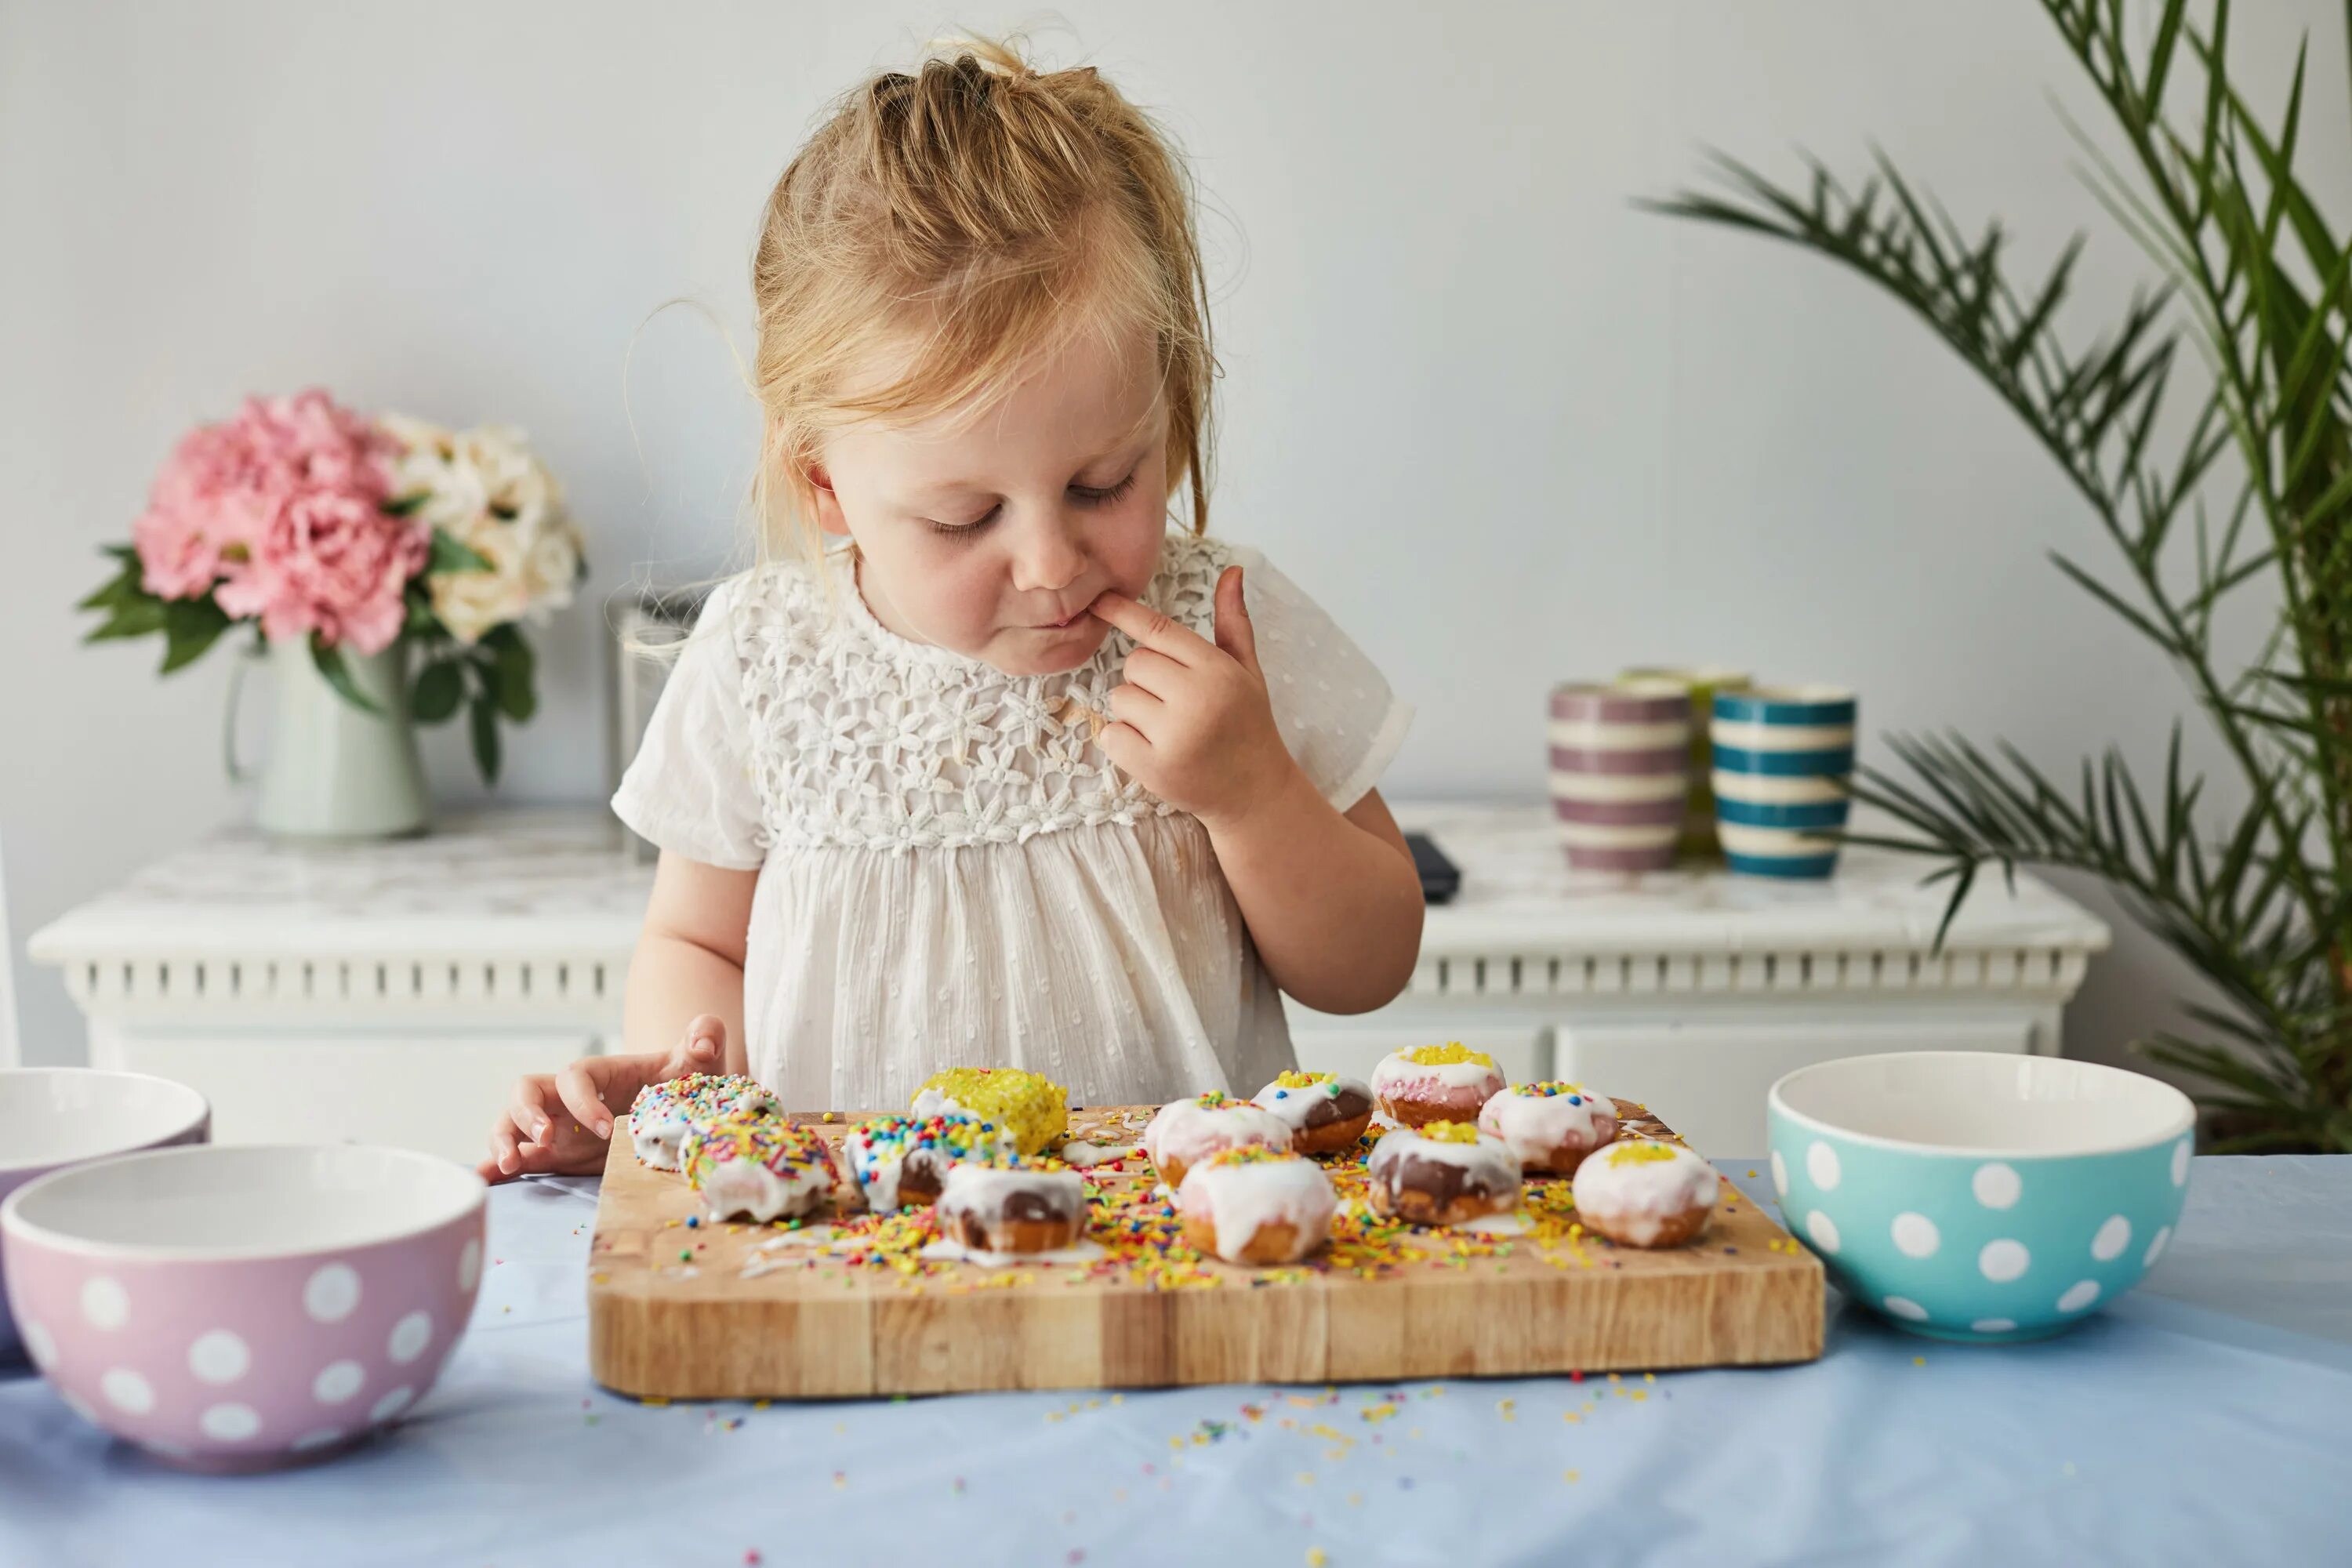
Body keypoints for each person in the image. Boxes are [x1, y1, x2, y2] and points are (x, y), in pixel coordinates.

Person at [483, 36, 1421, 1181]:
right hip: (857, 1275)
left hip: (1175, 1267)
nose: (1047, 562)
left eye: (1102, 485)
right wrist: (688, 1082)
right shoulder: (760, 658)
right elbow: (693, 940)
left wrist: (1254, 794)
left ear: (1168, 415)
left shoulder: (1221, 631)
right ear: (825, 483)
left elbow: (1370, 964)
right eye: (964, 516)